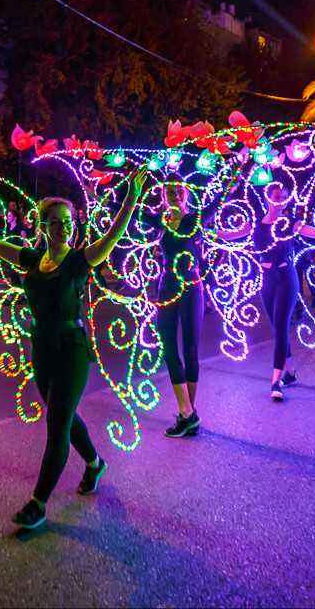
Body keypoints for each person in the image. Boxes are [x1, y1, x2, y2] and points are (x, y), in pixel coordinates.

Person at [0, 168, 148, 530]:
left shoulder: (81, 260)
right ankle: (95, 463)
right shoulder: (31, 259)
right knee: (63, 416)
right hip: (42, 350)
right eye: (56, 222)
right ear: (43, 227)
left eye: (68, 222)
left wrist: (131, 197)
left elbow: (114, 234)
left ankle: (38, 503)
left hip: (72, 350)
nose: (64, 227)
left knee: (57, 423)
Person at [216, 181, 315, 401]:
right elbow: (228, 235)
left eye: (283, 196)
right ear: (267, 198)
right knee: (278, 328)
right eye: (276, 195)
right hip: (266, 279)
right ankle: (290, 374)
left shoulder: (291, 223)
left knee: (281, 328)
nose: (280, 199)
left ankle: (276, 381)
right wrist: (200, 230)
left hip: (286, 277)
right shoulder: (255, 223)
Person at [139, 176, 204, 438]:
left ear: (186, 193)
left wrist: (237, 171)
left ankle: (188, 413)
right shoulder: (162, 222)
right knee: (168, 347)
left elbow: (220, 199)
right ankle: (188, 414)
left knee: (190, 349)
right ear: (163, 196)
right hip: (166, 288)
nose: (175, 195)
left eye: (179, 190)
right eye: (170, 191)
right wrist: (95, 193)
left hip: (191, 288)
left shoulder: (194, 219)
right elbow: (129, 211)